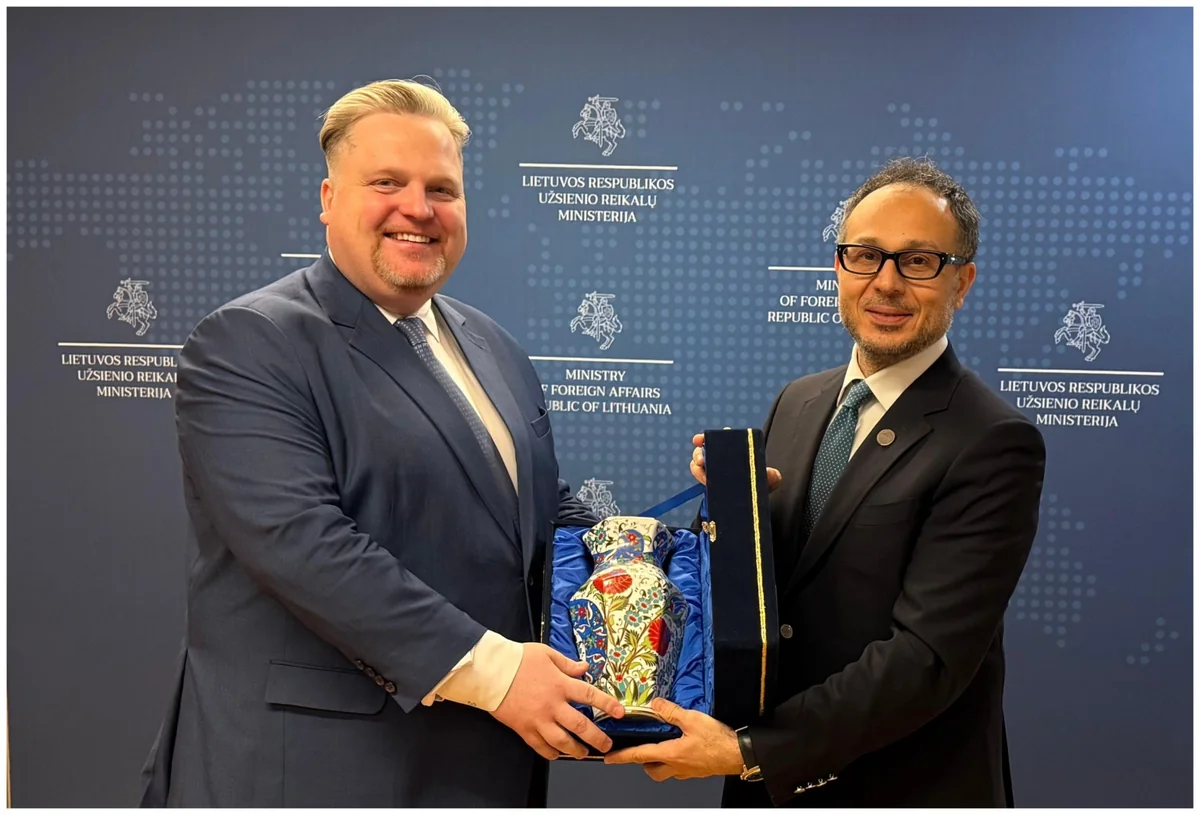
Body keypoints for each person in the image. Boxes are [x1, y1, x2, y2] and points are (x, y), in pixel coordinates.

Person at [138, 79, 624, 808]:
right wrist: (500, 674)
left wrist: (673, 551)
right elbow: (305, 545)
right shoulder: (251, 341)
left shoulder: (493, 345)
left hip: (485, 768)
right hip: (320, 772)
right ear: (329, 198)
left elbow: (542, 516)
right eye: (387, 183)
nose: (419, 209)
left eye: (442, 189)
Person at [604, 157, 1046, 807]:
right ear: (839, 267)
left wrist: (752, 750)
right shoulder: (799, 401)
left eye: (918, 261)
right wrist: (730, 516)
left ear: (962, 282)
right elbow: (757, 599)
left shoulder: (992, 441)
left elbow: (925, 658)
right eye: (865, 256)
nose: (886, 283)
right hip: (768, 790)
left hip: (900, 789)